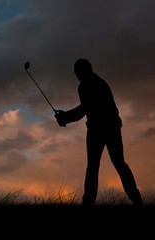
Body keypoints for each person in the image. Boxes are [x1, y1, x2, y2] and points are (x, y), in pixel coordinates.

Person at [54, 58, 143, 206]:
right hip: (104, 128)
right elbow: (84, 108)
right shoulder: (90, 84)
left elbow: (84, 109)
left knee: (102, 166)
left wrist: (65, 118)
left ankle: (136, 201)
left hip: (105, 128)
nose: (78, 76)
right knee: (109, 165)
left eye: (79, 72)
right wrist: (65, 117)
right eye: (77, 73)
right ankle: (137, 201)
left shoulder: (93, 85)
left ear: (87, 70)